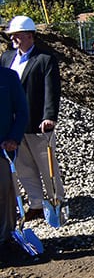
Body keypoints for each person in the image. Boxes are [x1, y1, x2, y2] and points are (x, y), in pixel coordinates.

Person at [0, 15, 64, 222]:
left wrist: (49, 116)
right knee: (24, 167)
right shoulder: (7, 58)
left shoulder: (44, 59)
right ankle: (36, 204)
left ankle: (56, 200)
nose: (13, 40)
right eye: (12, 36)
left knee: (47, 166)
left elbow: (51, 90)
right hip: (14, 126)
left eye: (17, 36)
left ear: (29, 36)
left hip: (38, 122)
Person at [0, 66, 29, 262]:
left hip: (3, 148)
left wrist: (14, 138)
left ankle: (5, 238)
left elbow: (22, 111)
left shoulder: (8, 77)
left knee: (4, 193)